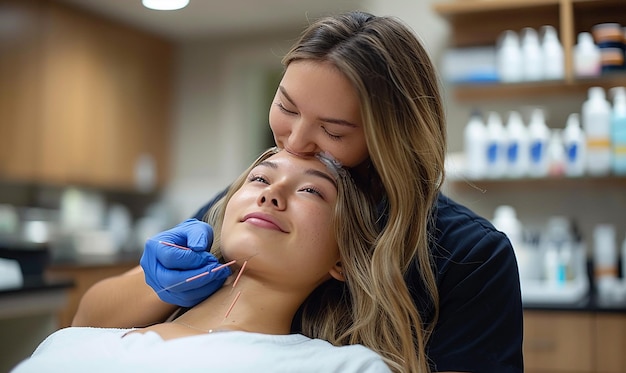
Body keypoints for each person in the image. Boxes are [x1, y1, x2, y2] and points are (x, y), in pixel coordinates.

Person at [73, 11, 523, 373]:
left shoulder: (469, 257)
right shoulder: (249, 204)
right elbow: (85, 323)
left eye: (332, 131)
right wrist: (160, 286)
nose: (293, 142)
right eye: (286, 107)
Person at [12, 148, 392, 373]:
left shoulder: (341, 367)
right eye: (259, 179)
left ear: (342, 259)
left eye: (310, 190)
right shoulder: (82, 338)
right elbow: (85, 315)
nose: (272, 194)